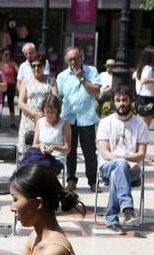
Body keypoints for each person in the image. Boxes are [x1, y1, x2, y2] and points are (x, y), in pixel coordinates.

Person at [96, 87, 149, 234]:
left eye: (124, 100)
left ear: (130, 101)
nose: (121, 103)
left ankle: (112, 220)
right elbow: (105, 153)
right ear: (114, 102)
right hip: (107, 166)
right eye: (118, 100)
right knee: (119, 166)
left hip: (133, 170)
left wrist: (124, 161)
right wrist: (123, 160)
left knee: (117, 173)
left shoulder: (140, 125)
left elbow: (141, 154)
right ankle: (127, 209)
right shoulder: (105, 122)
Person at [56, 46, 101, 192]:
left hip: (86, 118)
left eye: (76, 58)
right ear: (66, 60)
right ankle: (71, 180)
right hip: (68, 118)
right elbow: (58, 96)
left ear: (81, 57)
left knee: (89, 152)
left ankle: (93, 181)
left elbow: (96, 91)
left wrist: (81, 77)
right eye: (70, 59)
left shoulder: (91, 71)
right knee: (70, 151)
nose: (73, 62)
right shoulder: (62, 76)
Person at [22, 94, 70, 176]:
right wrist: (41, 146)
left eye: (53, 112)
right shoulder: (40, 122)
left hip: (56, 158)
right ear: (43, 110)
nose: (50, 115)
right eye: (47, 112)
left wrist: (55, 148)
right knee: (26, 164)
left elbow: (67, 148)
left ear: (57, 111)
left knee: (39, 168)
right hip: (40, 154)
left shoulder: (64, 124)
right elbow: (34, 144)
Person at [17, 53, 56, 152]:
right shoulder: (26, 81)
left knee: (44, 149)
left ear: (44, 66)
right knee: (26, 150)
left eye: (39, 65)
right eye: (33, 66)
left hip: (46, 118)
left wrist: (44, 115)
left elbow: (56, 100)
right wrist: (34, 113)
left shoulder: (51, 81)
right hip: (29, 119)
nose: (36, 68)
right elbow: (20, 102)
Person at [133, 46, 154, 129]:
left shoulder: (141, 67)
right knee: (144, 127)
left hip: (141, 98)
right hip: (147, 99)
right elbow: (144, 80)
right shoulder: (148, 68)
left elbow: (134, 76)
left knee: (140, 125)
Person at [0, 49, 18, 129]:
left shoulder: (12, 64)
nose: (7, 56)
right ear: (2, 55)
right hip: (2, 85)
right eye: (5, 54)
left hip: (11, 85)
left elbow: (18, 72)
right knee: (0, 103)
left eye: (8, 54)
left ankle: (12, 122)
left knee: (11, 103)